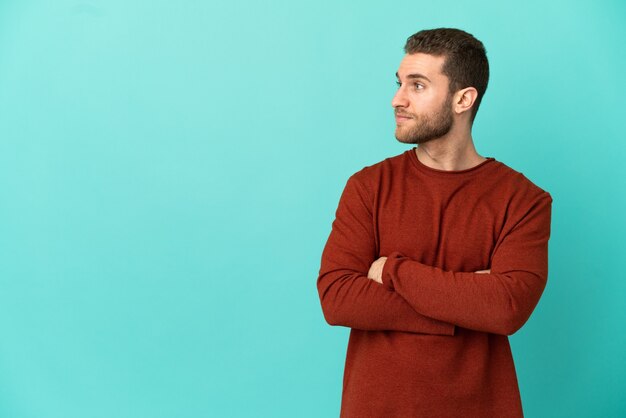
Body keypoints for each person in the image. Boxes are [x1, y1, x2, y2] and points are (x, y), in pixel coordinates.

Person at [316, 28, 553, 417]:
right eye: (399, 84)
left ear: (463, 99)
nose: (398, 99)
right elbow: (337, 298)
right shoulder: (368, 187)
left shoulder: (524, 200)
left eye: (418, 85)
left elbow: (506, 308)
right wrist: (466, 301)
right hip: (377, 408)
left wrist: (393, 270)